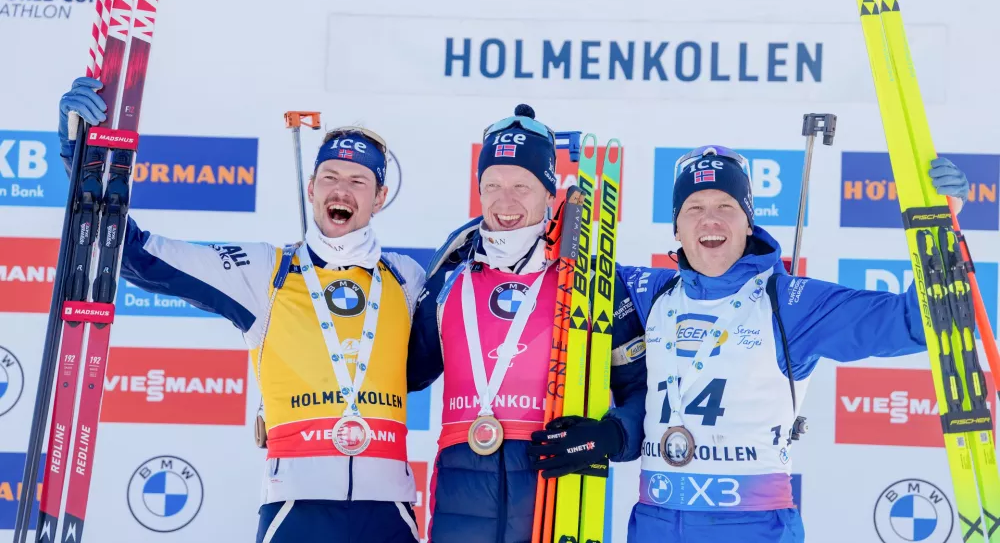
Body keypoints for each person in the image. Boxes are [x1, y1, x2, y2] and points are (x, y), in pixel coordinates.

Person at [525, 145, 972, 542]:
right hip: (654, 521)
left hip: (752, 525)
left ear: (747, 221)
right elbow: (550, 270)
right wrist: (524, 189)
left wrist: (941, 225)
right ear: (676, 228)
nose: (710, 219)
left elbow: (914, 323)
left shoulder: (790, 303)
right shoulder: (649, 292)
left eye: (725, 205)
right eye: (694, 208)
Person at [58, 77, 427, 543]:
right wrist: (81, 162)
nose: (342, 191)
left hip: (390, 510)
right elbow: (139, 257)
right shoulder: (263, 272)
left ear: (380, 197)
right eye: (330, 177)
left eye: (358, 181)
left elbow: (437, 360)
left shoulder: (406, 278)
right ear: (311, 188)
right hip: (295, 508)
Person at [407, 104, 595, 543]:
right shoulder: (452, 275)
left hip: (551, 479)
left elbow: (633, 385)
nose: (504, 201)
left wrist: (609, 435)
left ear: (550, 193)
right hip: (461, 480)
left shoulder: (583, 278)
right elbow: (412, 373)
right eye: (491, 185)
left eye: (521, 186)